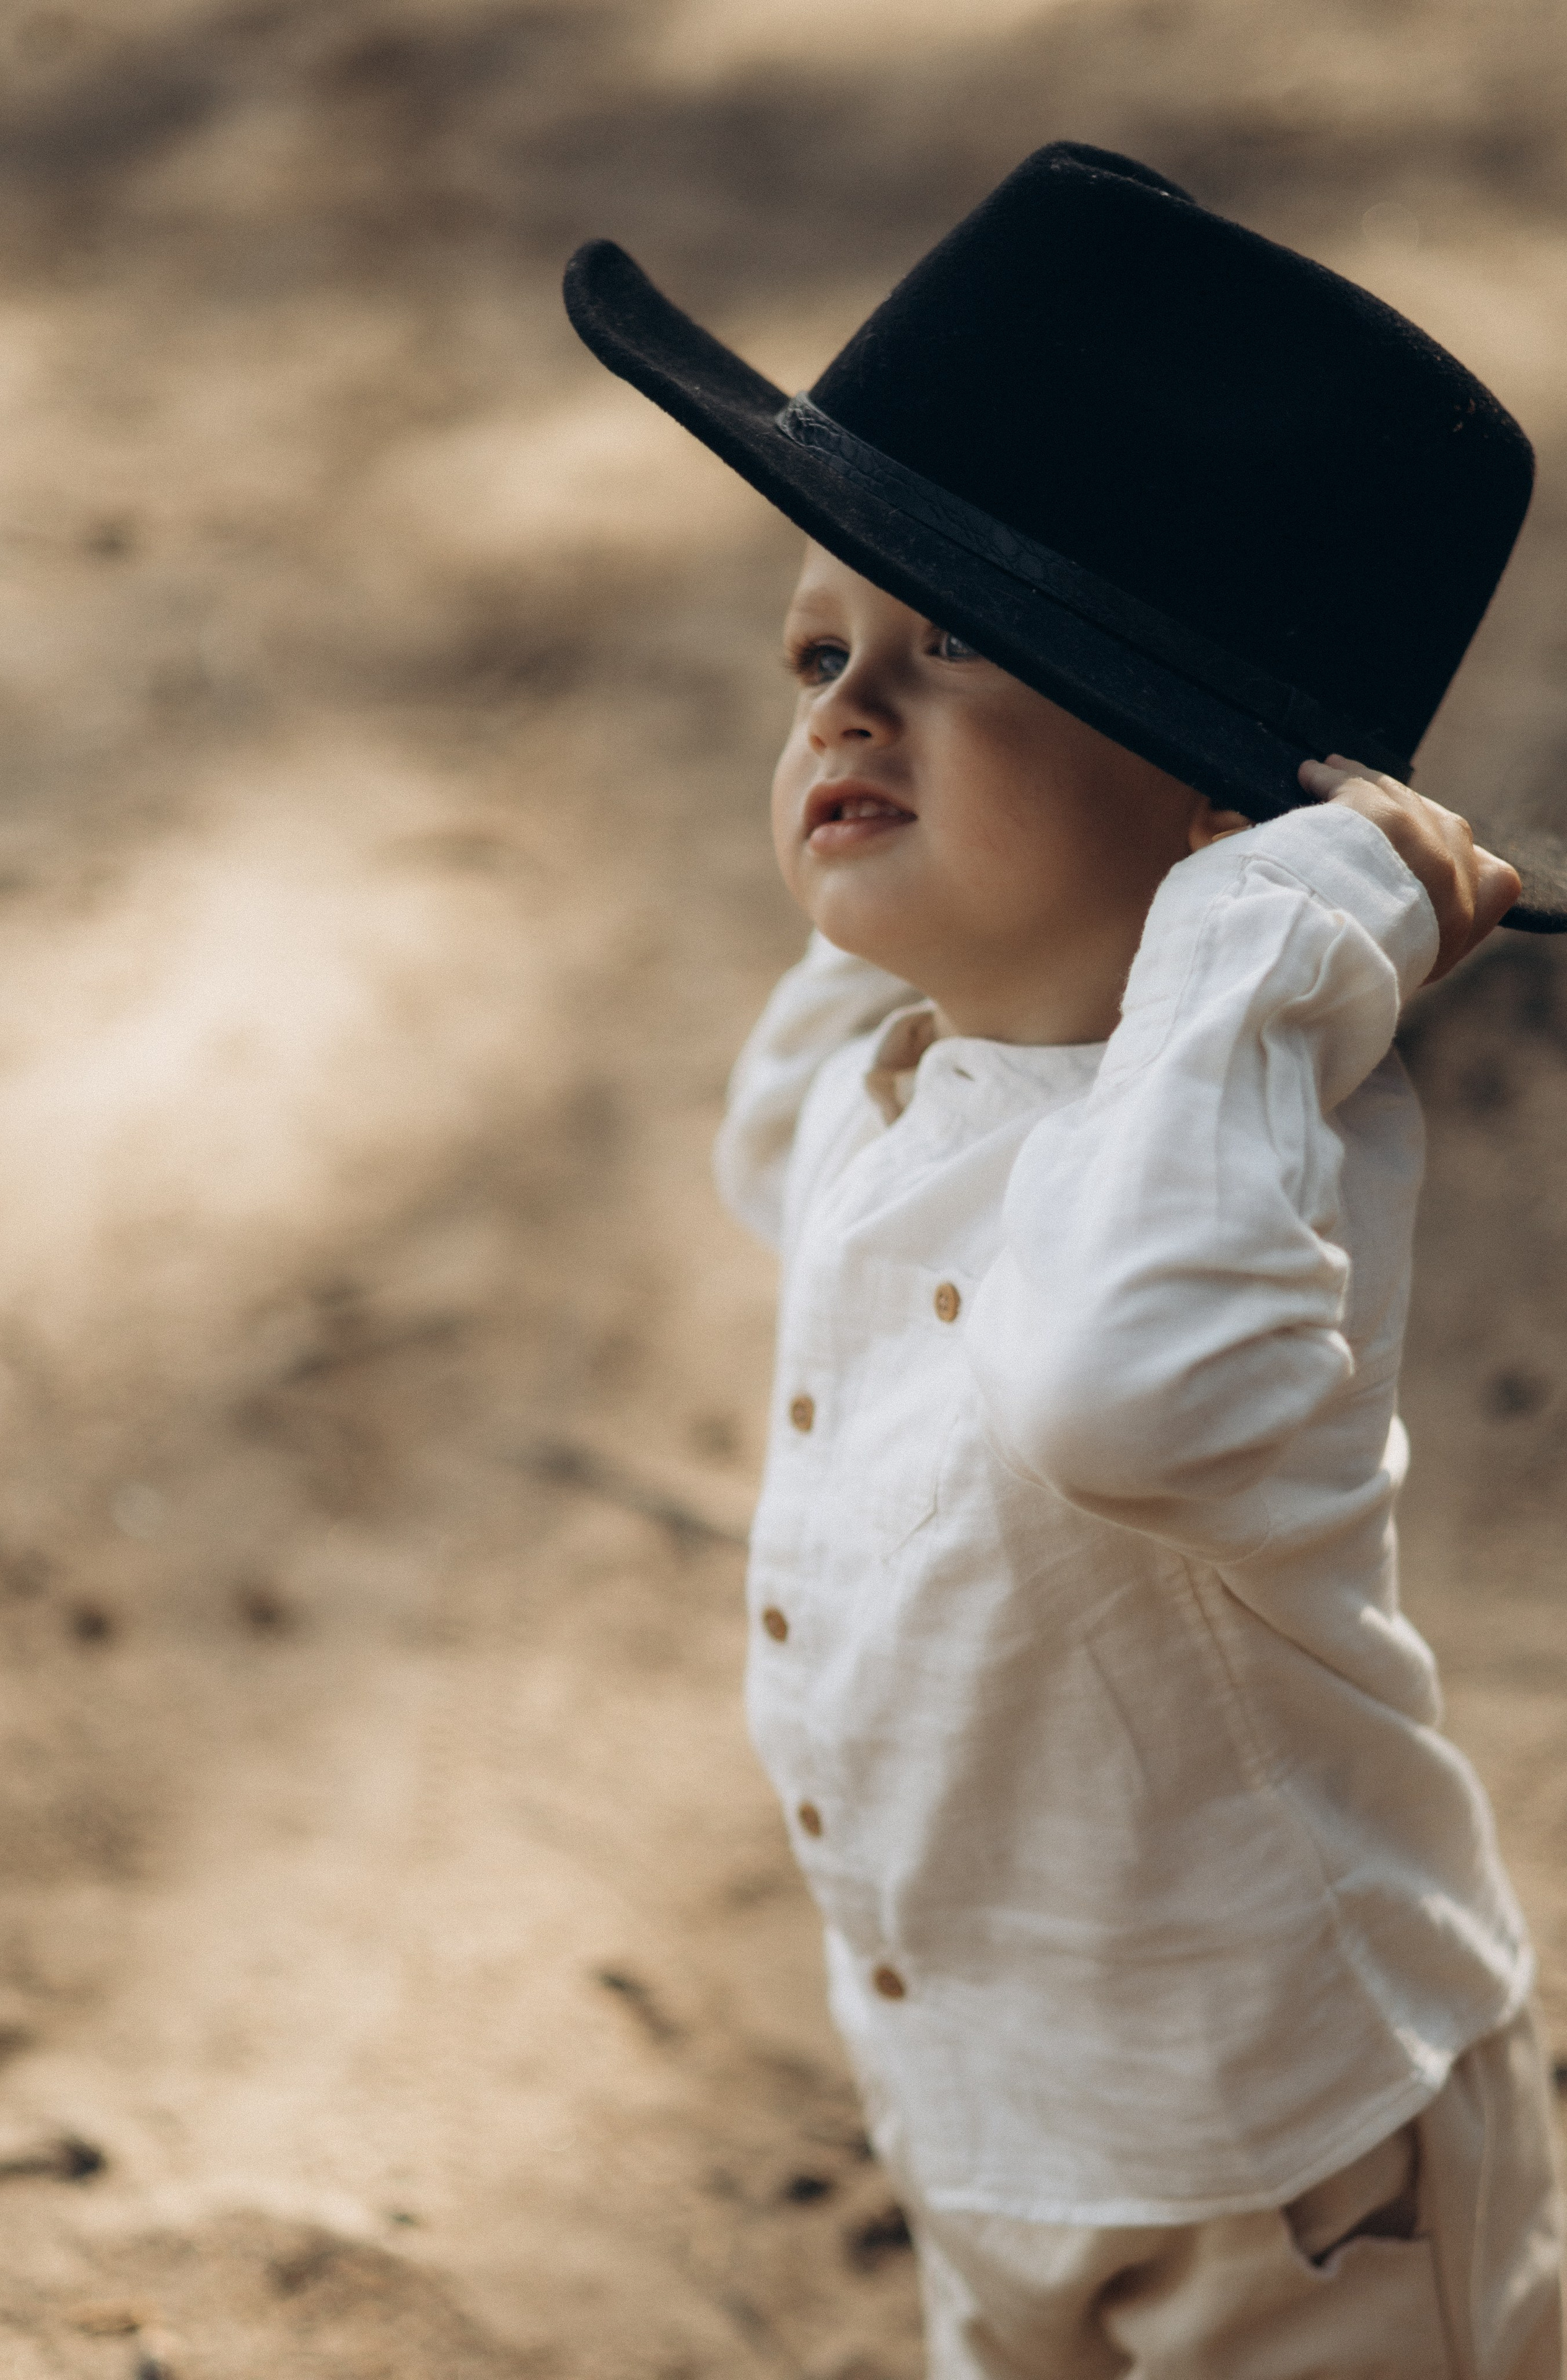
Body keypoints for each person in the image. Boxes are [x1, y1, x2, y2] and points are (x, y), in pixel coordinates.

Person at [563, 142, 1566, 2378]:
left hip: (1302, 2168)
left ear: (1224, 821)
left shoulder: (1239, 1160)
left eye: (954, 648)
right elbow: (787, 1122)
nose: (841, 705)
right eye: (820, 646)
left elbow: (1121, 1394)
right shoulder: (895, 1085)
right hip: (997, 2103)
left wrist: (1281, 925)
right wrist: (958, 878)